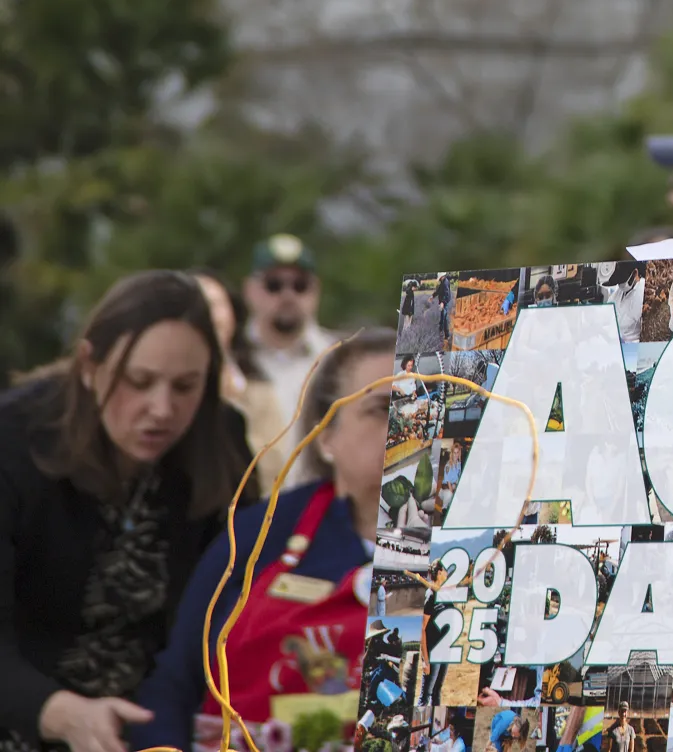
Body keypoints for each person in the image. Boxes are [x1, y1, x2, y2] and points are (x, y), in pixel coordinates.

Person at [0, 271, 253, 752]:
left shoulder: (220, 439)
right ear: (88, 364)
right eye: (138, 381)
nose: (161, 409)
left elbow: (235, 593)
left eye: (186, 386)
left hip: (159, 724)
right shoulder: (13, 443)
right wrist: (55, 712)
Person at [134, 328, 397, 752]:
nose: (410, 423)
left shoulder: (481, 546)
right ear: (325, 435)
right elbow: (175, 682)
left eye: (424, 406)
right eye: (384, 408)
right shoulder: (263, 531)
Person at [191, 268, 291, 482]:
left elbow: (273, 465)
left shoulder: (256, 384)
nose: (207, 315)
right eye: (196, 304)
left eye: (215, 305)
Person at [240, 233, 340, 427]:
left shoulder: (338, 358)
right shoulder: (229, 356)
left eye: (300, 285)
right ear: (249, 290)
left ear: (316, 290)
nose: (288, 295)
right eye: (274, 285)